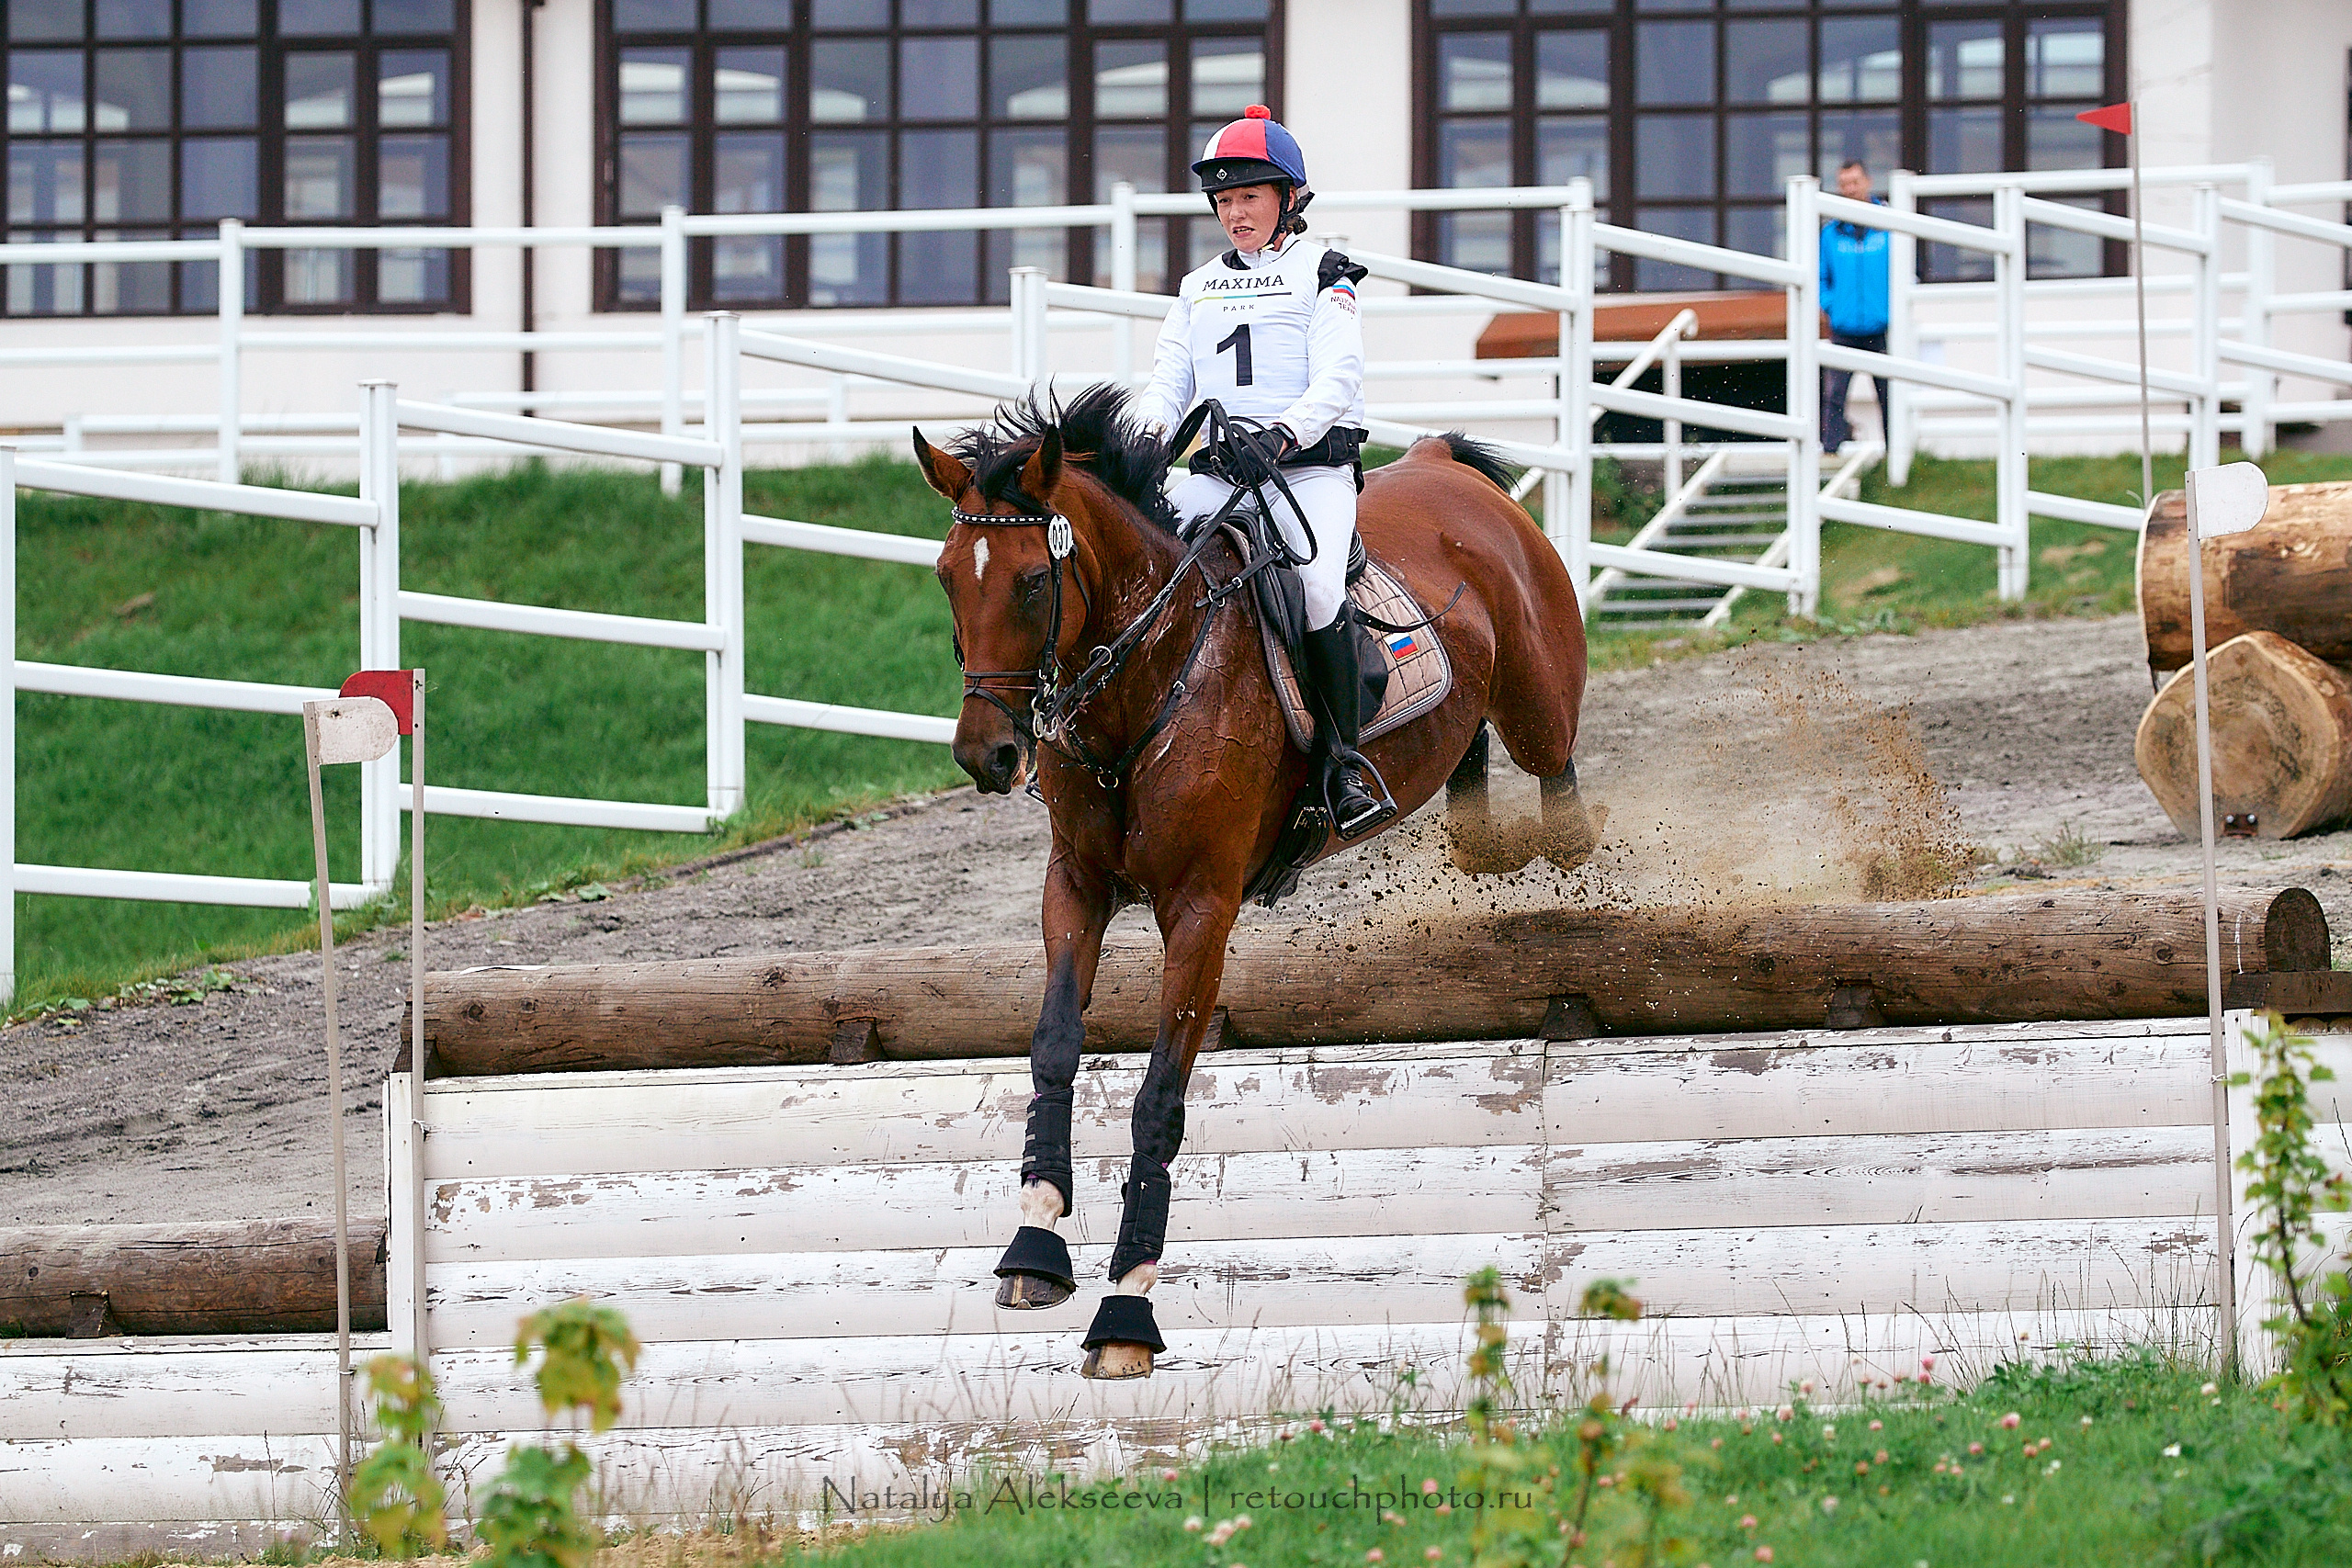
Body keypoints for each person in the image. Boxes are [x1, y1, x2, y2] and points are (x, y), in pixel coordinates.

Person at [1132, 105, 1393, 840]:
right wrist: (1147, 440)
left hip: (1306, 472)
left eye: (1249, 196)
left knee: (1313, 587)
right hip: (1219, 473)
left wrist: (1283, 435)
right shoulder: (1195, 286)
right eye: (1224, 200)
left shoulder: (1326, 274)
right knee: (1137, 554)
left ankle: (1342, 764)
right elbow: (1168, 382)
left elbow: (1338, 378)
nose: (1234, 213)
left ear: (1289, 199)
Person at [1819, 158, 1893, 452]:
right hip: (1844, 327)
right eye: (1844, 184)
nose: (1850, 189)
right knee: (1834, 394)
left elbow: (1906, 271)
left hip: (1882, 326)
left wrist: (1891, 309)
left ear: (1868, 182)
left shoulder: (1888, 225)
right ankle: (1830, 453)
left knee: (1890, 394)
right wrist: (1832, 306)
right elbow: (1821, 277)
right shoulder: (1830, 232)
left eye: (1855, 182)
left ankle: (1896, 456)